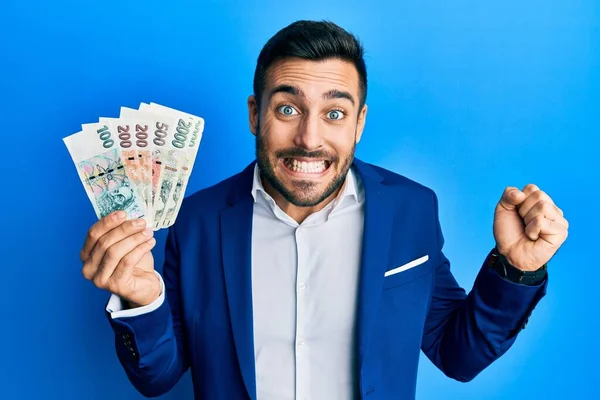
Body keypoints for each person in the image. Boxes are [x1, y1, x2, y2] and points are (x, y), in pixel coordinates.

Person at [79, 20, 569, 399]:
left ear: (359, 123)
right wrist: (142, 301)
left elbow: (456, 353)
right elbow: (159, 376)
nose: (309, 139)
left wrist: (517, 269)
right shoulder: (201, 220)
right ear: (256, 114)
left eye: (334, 113)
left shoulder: (411, 209)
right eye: (287, 109)